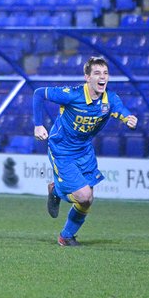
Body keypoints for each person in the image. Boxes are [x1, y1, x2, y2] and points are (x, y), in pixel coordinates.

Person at [32, 56, 138, 247]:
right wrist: (38, 125)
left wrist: (129, 118)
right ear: (87, 77)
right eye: (97, 73)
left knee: (87, 201)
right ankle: (56, 190)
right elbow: (39, 93)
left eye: (105, 73)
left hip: (85, 151)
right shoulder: (72, 95)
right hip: (62, 150)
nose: (102, 77)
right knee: (83, 195)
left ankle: (66, 236)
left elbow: (121, 110)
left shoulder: (109, 100)